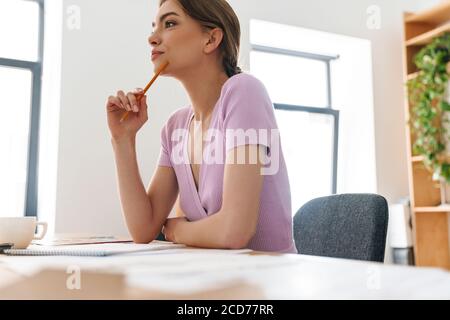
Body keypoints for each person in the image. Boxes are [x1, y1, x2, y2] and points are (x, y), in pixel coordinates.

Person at [106, 0, 297, 253]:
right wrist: (122, 140)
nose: (152, 38)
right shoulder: (175, 127)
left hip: (264, 286)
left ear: (211, 39)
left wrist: (175, 230)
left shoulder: (244, 91)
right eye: (154, 27)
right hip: (212, 281)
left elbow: (234, 232)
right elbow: (143, 229)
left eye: (170, 23)